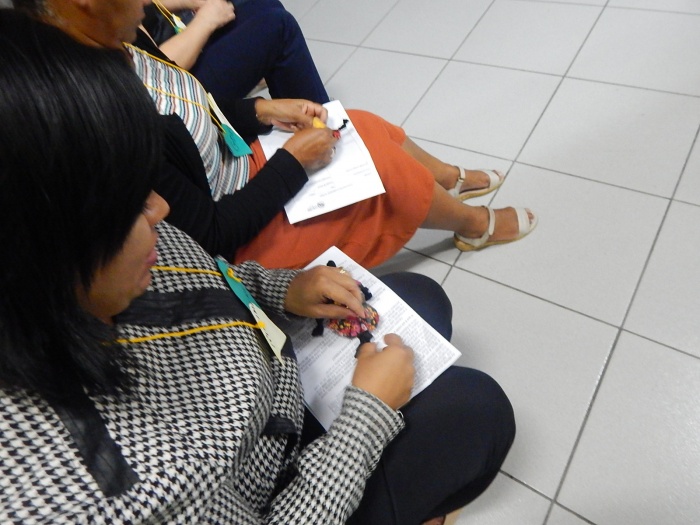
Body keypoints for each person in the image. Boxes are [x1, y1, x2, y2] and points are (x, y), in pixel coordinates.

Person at [0, 12, 515, 524]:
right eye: (132, 202)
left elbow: (196, 274)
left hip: (268, 376)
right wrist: (366, 416)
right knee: (480, 409)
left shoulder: (98, 245)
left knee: (425, 298)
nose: (161, 209)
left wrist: (281, 289)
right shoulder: (100, 492)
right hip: (279, 482)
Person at [13, 0, 537, 270]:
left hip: (235, 170)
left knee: (357, 121)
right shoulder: (102, 111)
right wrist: (293, 163)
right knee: (379, 165)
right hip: (238, 235)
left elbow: (191, 109)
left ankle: (444, 178)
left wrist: (263, 109)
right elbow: (211, 236)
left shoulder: (118, 44)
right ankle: (472, 224)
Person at [142, 0, 331, 103]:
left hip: (163, 43)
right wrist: (206, 20)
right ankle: (321, 129)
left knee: (263, 5)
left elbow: (147, 6)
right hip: (166, 93)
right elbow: (154, 71)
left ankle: (311, 118)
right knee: (278, 26)